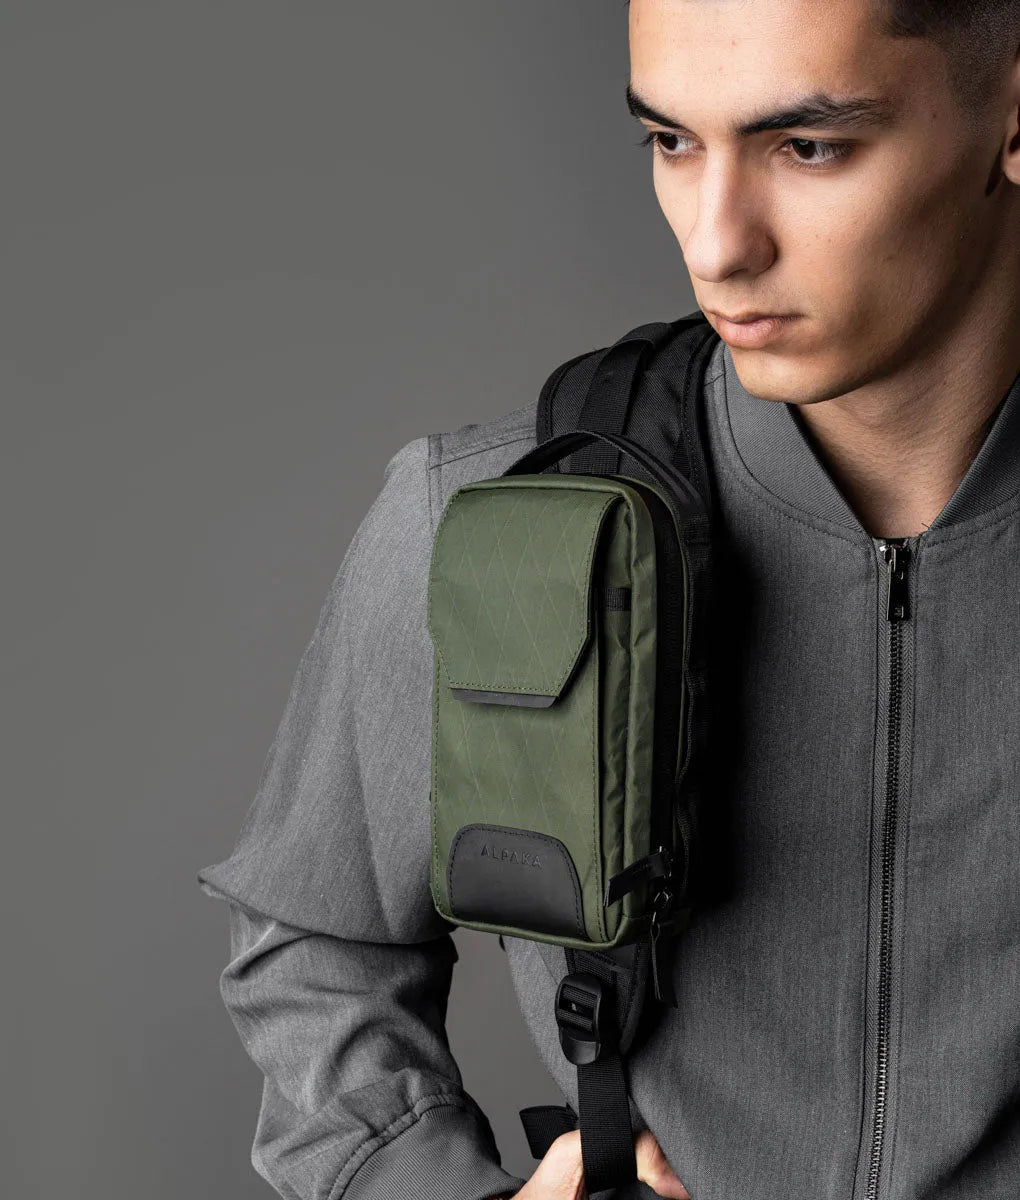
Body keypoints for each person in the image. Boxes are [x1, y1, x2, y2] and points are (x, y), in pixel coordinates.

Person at [196, 1, 1020, 1197]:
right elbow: (312, 943)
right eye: (672, 142)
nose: (716, 243)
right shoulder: (494, 524)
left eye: (809, 146)